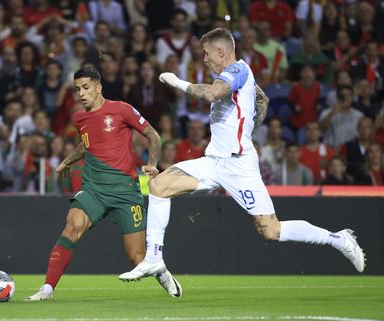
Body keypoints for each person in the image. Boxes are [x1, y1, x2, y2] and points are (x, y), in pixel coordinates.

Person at [119, 28, 365, 284]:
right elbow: (263, 101)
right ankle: (154, 257)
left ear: (221, 52)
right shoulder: (238, 76)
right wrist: (247, 130)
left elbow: (212, 94)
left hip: (238, 166)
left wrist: (177, 82)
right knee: (159, 185)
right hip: (214, 162)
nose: (204, 60)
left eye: (206, 54)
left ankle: (339, 239)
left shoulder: (237, 71)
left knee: (271, 230)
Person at [26, 67, 182, 301]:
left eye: (86, 87)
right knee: (71, 228)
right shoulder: (79, 118)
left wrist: (152, 164)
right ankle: (47, 289)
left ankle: (161, 270)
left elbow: (153, 135)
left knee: (137, 258)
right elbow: (87, 144)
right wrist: (66, 162)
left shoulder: (122, 109)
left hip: (125, 191)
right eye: (77, 89)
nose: (81, 93)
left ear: (99, 88)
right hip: (93, 189)